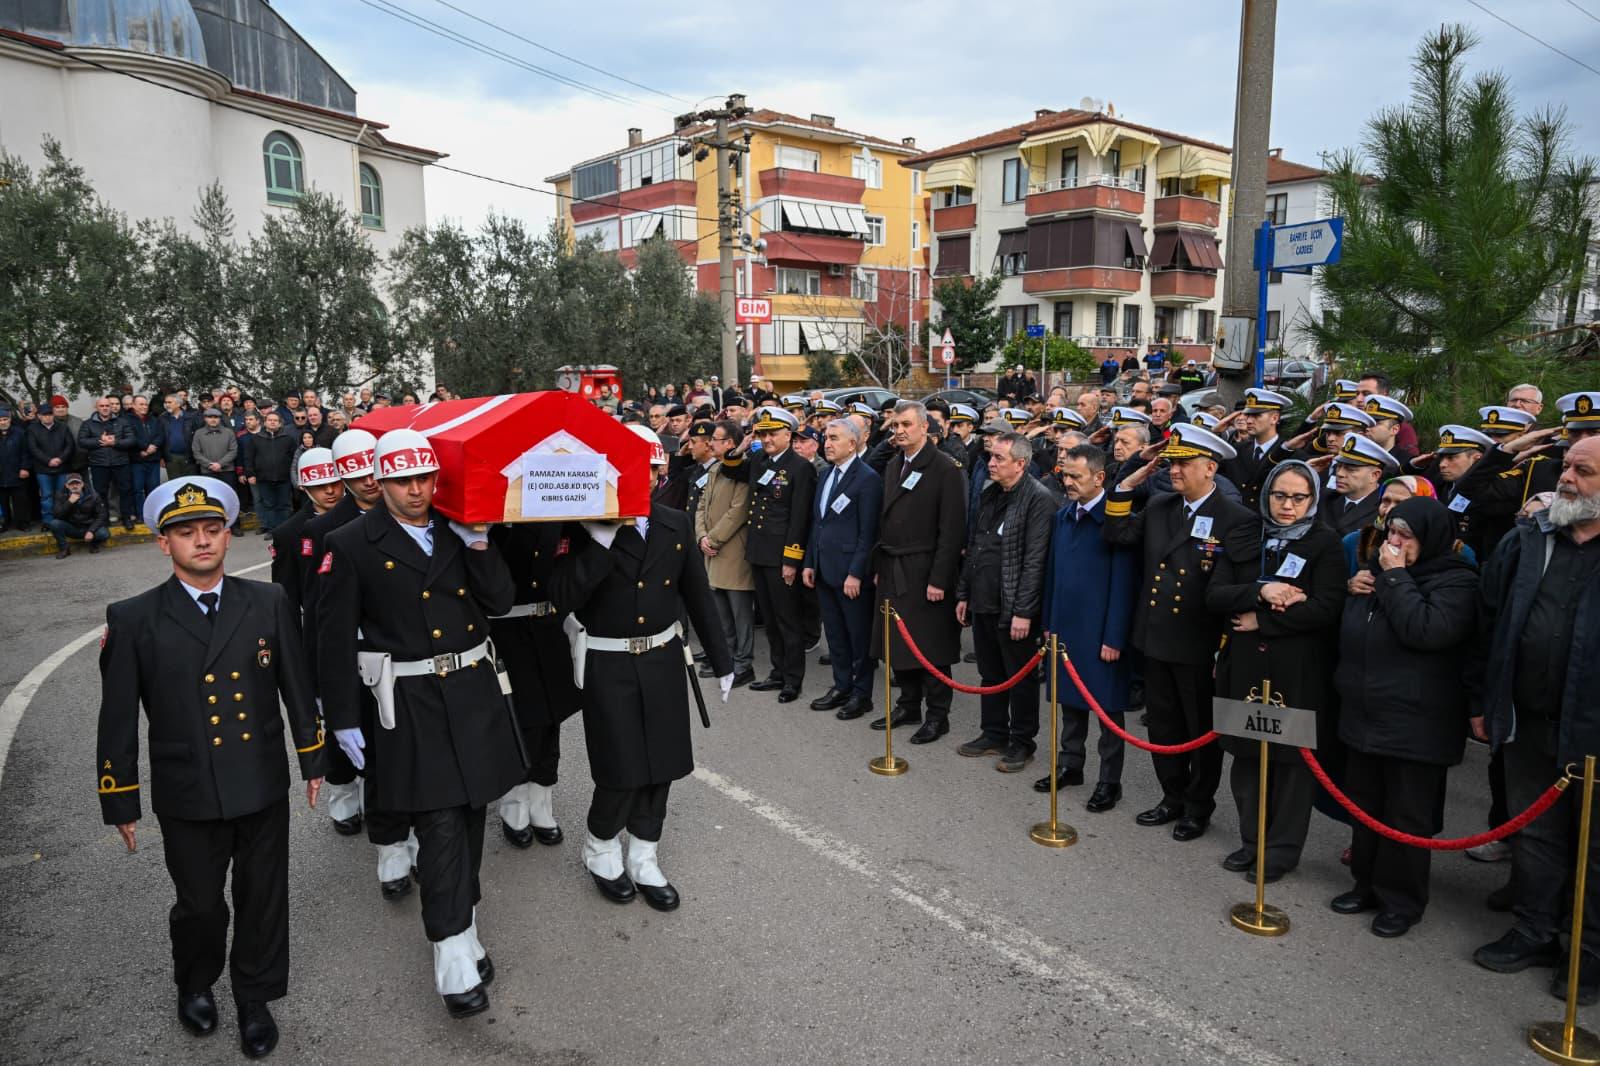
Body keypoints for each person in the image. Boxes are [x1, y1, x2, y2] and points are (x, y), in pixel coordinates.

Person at [96, 476, 325, 1057]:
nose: (201, 541)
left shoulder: (267, 602)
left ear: (228, 536)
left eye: (211, 529)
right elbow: (119, 717)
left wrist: (311, 758)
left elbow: (297, 685)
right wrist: (121, 798)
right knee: (200, 904)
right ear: (163, 544)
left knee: (263, 895)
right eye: (185, 533)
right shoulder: (134, 618)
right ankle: (195, 981)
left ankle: (254, 994)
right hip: (188, 788)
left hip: (259, 778)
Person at [318, 429, 524, 1018]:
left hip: (471, 690)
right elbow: (332, 639)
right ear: (380, 482)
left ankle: (466, 923)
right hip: (408, 700)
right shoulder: (351, 542)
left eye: (425, 479)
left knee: (471, 814)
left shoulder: (460, 530)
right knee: (438, 825)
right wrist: (341, 718)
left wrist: (481, 544)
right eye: (404, 481)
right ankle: (452, 951)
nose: (416, 492)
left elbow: (500, 602)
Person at [548, 466, 734, 912]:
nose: (643, 477)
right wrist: (600, 543)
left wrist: (722, 659)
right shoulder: (580, 524)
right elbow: (561, 595)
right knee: (620, 764)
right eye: (634, 468)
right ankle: (601, 845)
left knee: (662, 761)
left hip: (662, 656)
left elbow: (695, 590)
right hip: (608, 660)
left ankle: (645, 853)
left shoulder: (675, 521)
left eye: (650, 468)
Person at [1472, 436, 1600, 995]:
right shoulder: (1529, 540)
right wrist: (1482, 699)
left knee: (1595, 848)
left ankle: (1589, 953)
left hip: (1594, 731)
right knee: (1536, 833)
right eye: (1567, 466)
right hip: (1528, 720)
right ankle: (1534, 930)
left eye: (1584, 471)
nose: (1565, 478)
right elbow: (1489, 618)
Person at [1333, 496, 1478, 938]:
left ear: (1431, 539)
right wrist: (1356, 589)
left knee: (1406, 815)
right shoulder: (1377, 578)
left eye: (1405, 536)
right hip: (1366, 712)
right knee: (1367, 807)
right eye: (1391, 533)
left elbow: (1426, 631)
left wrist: (1393, 577)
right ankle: (1366, 884)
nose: (1393, 543)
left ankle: (1403, 900)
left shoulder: (1457, 583)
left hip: (1417, 723)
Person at [1104, 423, 1253, 842]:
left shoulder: (1235, 518)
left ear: (1210, 468)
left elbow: (1237, 588)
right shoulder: (1160, 507)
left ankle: (1197, 805)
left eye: (1184, 464)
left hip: (1198, 643)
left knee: (1199, 731)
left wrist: (1224, 649)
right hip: (1155, 636)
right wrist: (1128, 482)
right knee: (1164, 727)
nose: (1174, 471)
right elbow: (1116, 533)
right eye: (1171, 463)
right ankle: (1171, 797)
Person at [1207, 461, 1346, 882]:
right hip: (1245, 667)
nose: (1287, 506)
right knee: (1248, 760)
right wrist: (1262, 591)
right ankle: (1251, 842)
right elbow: (1215, 594)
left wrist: (1260, 621)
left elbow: (1326, 608)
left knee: (1290, 767)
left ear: (1313, 499)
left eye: (1298, 498)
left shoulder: (1325, 542)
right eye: (1279, 496)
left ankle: (1281, 852)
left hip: (1295, 673)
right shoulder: (1250, 534)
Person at [301, 431, 400, 851]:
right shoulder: (316, 531)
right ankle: (347, 797)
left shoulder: (409, 517)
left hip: (396, 651)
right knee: (352, 737)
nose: (369, 482)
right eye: (356, 474)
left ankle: (399, 829)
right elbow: (308, 608)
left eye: (372, 471)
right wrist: (317, 682)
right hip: (349, 652)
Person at [1039, 444, 1138, 809]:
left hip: (1099, 633)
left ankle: (1109, 781)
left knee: (1108, 711)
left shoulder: (1115, 520)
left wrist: (1114, 637)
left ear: (1099, 477)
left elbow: (1123, 584)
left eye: (1076, 477)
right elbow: (1053, 575)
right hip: (1066, 630)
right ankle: (1070, 765)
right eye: (1065, 475)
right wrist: (1049, 624)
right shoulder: (1063, 517)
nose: (1068, 482)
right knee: (1070, 703)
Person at [954, 432, 1056, 773]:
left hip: (1013, 607)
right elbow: (976, 545)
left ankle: (1021, 742)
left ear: (1020, 463)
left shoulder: (1038, 499)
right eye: (991, 458)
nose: (991, 463)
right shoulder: (990, 493)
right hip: (983, 599)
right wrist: (964, 593)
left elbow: (1034, 561)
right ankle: (993, 733)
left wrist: (1024, 612)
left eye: (998, 458)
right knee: (990, 674)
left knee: (1020, 679)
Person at [873, 400, 968, 743]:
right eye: (895, 425)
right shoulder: (894, 464)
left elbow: (952, 530)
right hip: (893, 565)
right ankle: (908, 704)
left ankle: (937, 715)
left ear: (925, 427)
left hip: (925, 569)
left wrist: (939, 579)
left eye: (907, 425)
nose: (899, 431)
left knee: (930, 647)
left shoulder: (945, 468)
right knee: (897, 642)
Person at [487, 520, 582, 850]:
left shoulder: (559, 516)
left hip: (549, 627)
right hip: (508, 630)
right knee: (521, 723)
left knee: (551, 722)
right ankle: (514, 806)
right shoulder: (497, 523)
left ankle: (542, 803)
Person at [723, 407, 816, 703]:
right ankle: (777, 672)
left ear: (788, 435)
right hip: (759, 552)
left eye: (772, 433)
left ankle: (792, 679)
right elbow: (729, 466)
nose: (766, 439)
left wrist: (791, 560)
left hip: (781, 556)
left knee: (788, 620)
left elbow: (799, 519)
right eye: (762, 433)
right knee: (771, 621)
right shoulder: (759, 461)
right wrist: (742, 444)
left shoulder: (800, 468)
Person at [803, 417, 883, 719]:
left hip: (850, 574)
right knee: (835, 635)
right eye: (826, 437)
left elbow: (868, 532)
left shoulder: (867, 478)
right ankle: (841, 685)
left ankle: (862, 694)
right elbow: (818, 523)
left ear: (853, 443)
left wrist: (856, 572)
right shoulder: (826, 476)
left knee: (857, 636)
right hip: (824, 568)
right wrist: (810, 562)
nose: (828, 443)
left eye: (834, 438)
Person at [696, 419, 757, 689]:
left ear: (731, 444)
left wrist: (714, 538)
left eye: (717, 439)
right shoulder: (716, 469)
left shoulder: (740, 471)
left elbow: (739, 510)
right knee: (720, 613)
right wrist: (701, 537)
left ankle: (744, 663)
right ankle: (727, 659)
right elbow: (701, 506)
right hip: (712, 550)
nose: (711, 443)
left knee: (740, 614)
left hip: (732, 552)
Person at [268, 448, 343, 617]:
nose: (330, 491)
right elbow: (287, 598)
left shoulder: (362, 518)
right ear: (303, 487)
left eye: (335, 483)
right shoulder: (288, 533)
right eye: (320, 486)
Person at [1222, 389, 1292, 510]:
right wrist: (1216, 431)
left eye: (1256, 415)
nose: (1248, 420)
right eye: (1248, 414)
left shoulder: (1289, 453)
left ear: (1274, 418)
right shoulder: (1237, 450)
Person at [1324, 433, 1398, 536]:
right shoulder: (1325, 498)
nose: (1340, 474)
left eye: (1350, 469)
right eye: (1339, 466)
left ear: (1374, 475)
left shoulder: (1385, 508)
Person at [79, 395, 136, 530]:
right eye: (102, 406)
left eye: (107, 406)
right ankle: (103, 520)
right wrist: (100, 440)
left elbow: (131, 440)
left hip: (121, 462)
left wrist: (115, 442)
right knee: (100, 493)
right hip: (99, 464)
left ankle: (126, 518)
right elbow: (82, 441)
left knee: (125, 491)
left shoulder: (122, 422)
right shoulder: (87, 424)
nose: (105, 408)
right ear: (96, 407)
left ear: (111, 407)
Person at [249, 410, 297, 535]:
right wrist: (251, 474)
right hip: (263, 478)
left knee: (284, 504)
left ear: (280, 424)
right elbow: (249, 458)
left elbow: (294, 458)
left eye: (275, 420)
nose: (272, 422)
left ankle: (284, 529)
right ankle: (272, 530)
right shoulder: (256, 439)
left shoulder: (288, 439)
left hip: (284, 478)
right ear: (265, 422)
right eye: (270, 420)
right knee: (269, 505)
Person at [25, 402, 74, 521]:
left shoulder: (63, 427)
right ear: (39, 416)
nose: (48, 416)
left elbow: (70, 445)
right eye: (44, 414)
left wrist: (60, 459)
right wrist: (48, 461)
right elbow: (33, 448)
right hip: (43, 469)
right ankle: (48, 521)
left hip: (62, 468)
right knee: (46, 496)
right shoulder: (32, 429)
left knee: (62, 495)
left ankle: (62, 519)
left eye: (50, 414)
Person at [44, 472, 109, 558]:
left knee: (104, 533)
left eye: (77, 483)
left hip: (88, 527)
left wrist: (91, 531)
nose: (75, 486)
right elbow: (57, 515)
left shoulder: (93, 495)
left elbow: (101, 515)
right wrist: (69, 502)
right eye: (71, 484)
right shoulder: (60, 495)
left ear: (82, 484)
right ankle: (64, 549)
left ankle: (93, 543)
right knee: (54, 524)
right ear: (67, 486)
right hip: (72, 527)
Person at [0, 406, 32, 531]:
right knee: (2, 502)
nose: (2, 422)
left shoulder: (20, 433)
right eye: (0, 420)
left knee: (21, 501)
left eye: (5, 419)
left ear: (9, 420)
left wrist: (25, 468)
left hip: (18, 473)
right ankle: (4, 523)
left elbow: (26, 452)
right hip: (1, 475)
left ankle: (23, 523)